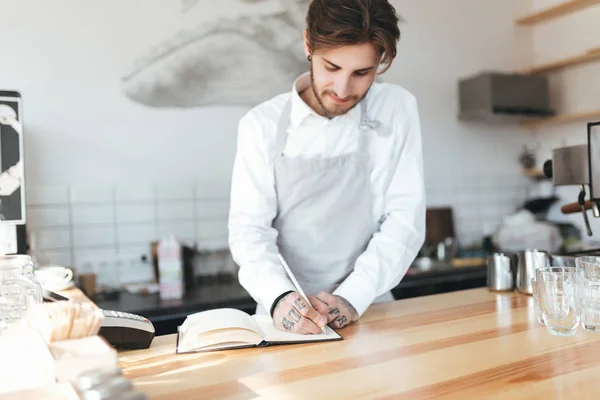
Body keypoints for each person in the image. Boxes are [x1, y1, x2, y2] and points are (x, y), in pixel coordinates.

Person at [228, 0, 425, 334]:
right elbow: (250, 231)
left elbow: (405, 218)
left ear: (380, 61)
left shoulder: (397, 109)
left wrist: (353, 296)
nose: (343, 90)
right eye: (332, 67)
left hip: (369, 307)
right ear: (308, 43)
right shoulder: (260, 125)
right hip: (286, 317)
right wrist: (280, 297)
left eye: (362, 73)